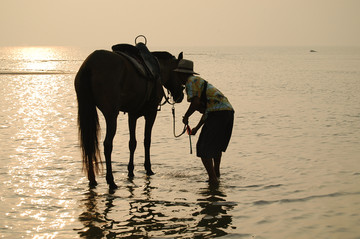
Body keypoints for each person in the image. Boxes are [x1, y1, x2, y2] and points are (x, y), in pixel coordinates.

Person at [174, 59, 234, 185]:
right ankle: (216, 174)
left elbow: (196, 104)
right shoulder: (199, 82)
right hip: (227, 113)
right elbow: (208, 111)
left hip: (218, 115)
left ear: (182, 74)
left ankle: (212, 179)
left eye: (178, 74)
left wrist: (186, 116)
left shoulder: (190, 82)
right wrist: (197, 127)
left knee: (203, 148)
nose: (177, 77)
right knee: (216, 146)